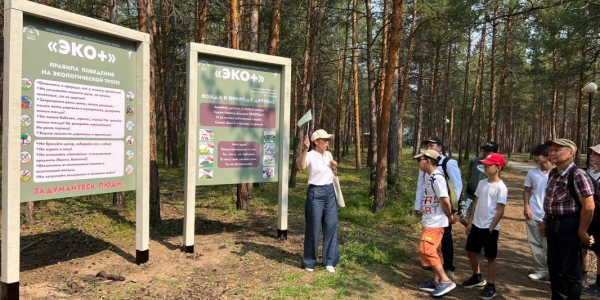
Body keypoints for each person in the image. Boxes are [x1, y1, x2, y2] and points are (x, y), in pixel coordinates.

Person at [541, 138, 595, 300]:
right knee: (554, 268)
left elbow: (589, 206)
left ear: (571, 153)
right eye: (551, 150)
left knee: (570, 271)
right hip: (552, 223)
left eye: (557, 149)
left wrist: (582, 231)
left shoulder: (577, 174)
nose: (552, 152)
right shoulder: (553, 172)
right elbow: (550, 199)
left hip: (569, 225)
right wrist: (545, 221)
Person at [414, 137, 462, 280]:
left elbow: (456, 187)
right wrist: (418, 205)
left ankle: (448, 269)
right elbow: (421, 186)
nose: (429, 147)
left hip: (442, 213)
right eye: (427, 145)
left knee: (445, 239)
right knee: (435, 243)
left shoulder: (449, 163)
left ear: (440, 147)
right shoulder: (425, 164)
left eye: (432, 145)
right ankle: (436, 274)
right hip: (431, 211)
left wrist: (451, 211)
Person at [462, 153, 507, 300]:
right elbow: (476, 202)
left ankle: (491, 286)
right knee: (470, 251)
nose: (485, 167)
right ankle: (477, 276)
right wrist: (470, 221)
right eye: (484, 164)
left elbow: (500, 210)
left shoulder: (501, 187)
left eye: (488, 165)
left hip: (490, 228)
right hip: (476, 224)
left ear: (498, 168)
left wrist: (491, 228)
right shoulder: (482, 183)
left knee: (490, 257)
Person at [296, 129, 339, 273]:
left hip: (330, 192)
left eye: (328, 140)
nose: (327, 142)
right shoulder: (309, 155)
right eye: (325, 140)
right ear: (316, 141)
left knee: (331, 225)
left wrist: (334, 168)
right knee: (313, 227)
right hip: (316, 193)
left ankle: (329, 261)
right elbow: (300, 166)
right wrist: (305, 148)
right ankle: (309, 261)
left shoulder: (328, 154)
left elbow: (333, 174)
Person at [523, 144, 551, 280]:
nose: (535, 158)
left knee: (549, 245)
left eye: (538, 155)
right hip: (534, 212)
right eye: (534, 155)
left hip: (551, 215)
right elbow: (527, 190)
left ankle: (553, 270)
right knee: (535, 243)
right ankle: (541, 270)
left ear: (547, 156)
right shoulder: (532, 173)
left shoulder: (556, 172)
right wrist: (526, 206)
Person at [459, 142, 499, 227]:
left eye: (488, 151)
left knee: (480, 219)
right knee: (463, 217)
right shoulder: (475, 161)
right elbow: (468, 175)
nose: (485, 152)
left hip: (484, 197)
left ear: (495, 152)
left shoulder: (496, 166)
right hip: (470, 195)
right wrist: (471, 186)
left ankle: (477, 234)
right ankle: (474, 231)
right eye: (484, 150)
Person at [582, 144, 600, 295]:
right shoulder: (591, 173)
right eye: (591, 153)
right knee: (583, 247)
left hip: (599, 219)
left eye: (595, 154)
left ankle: (599, 283)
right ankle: (583, 277)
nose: (591, 155)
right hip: (588, 217)